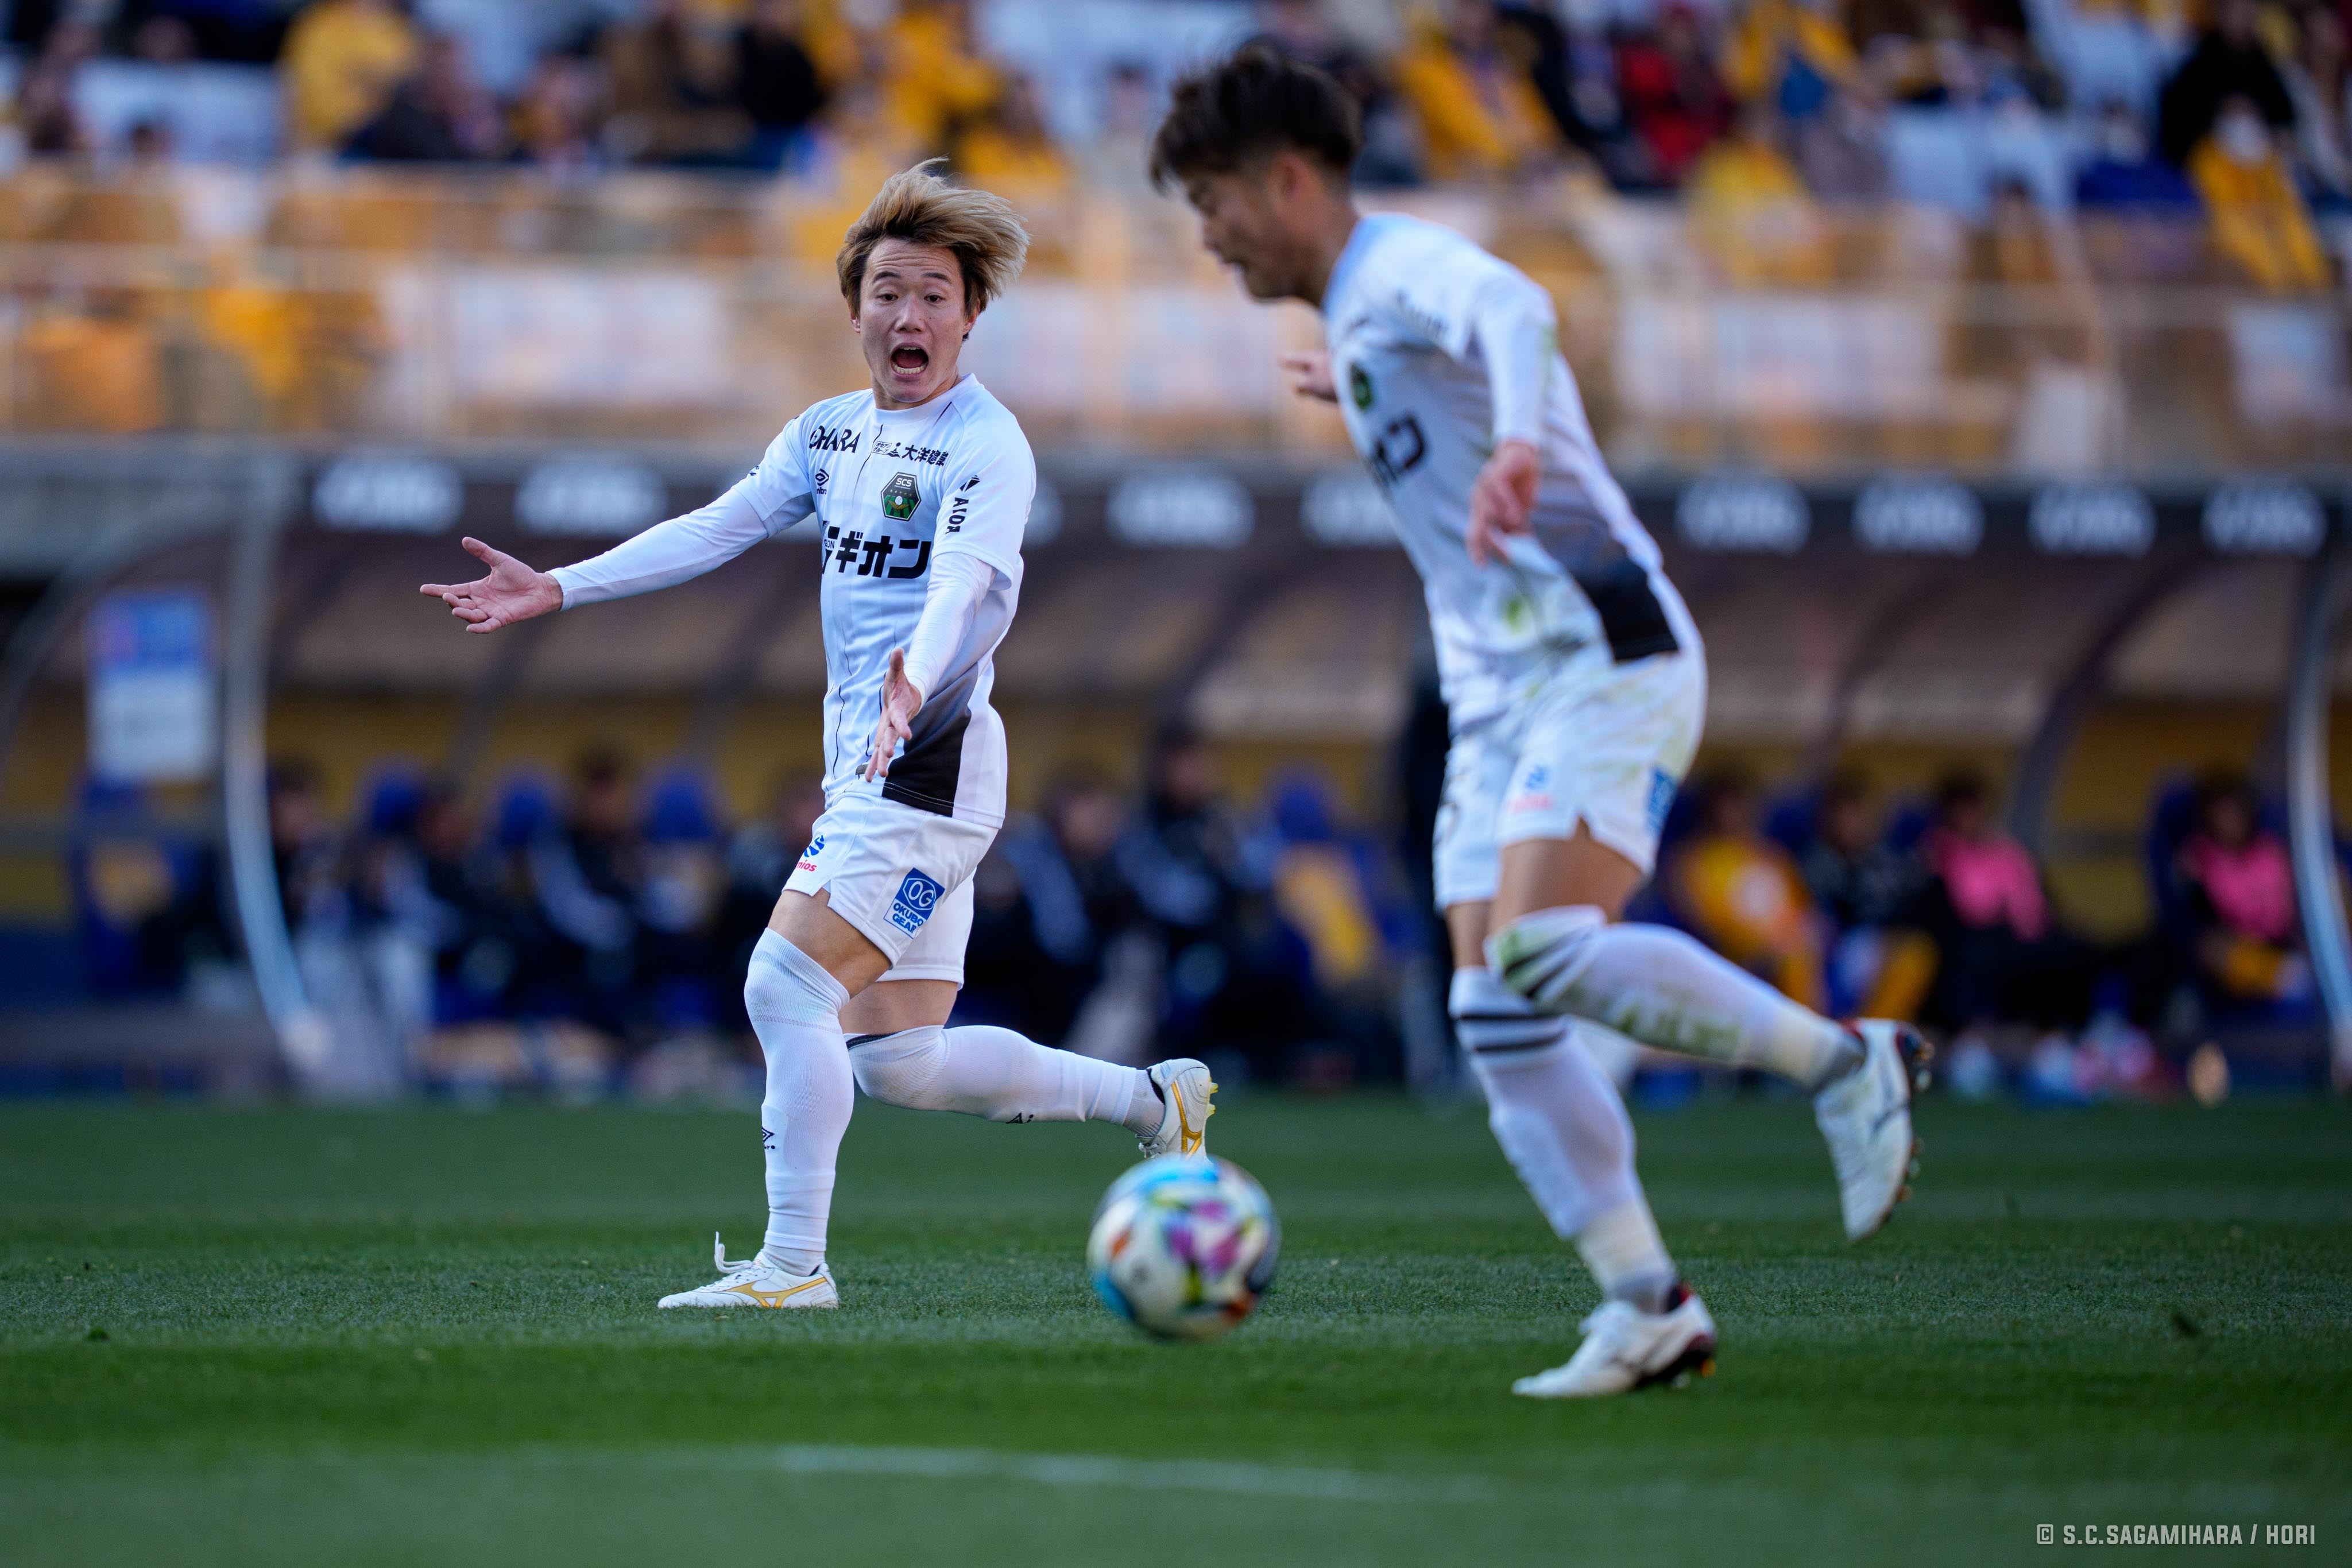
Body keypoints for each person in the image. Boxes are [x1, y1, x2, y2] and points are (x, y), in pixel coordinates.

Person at [1151, 47, 1924, 1398]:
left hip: (1596, 649)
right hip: (1500, 696)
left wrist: (1515, 443)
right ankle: (1647, 1305)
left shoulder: (1397, 264)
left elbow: (1515, 305)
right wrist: (1381, 391)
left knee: (1541, 947)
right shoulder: (1361, 321)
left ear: (1286, 181)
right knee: (1492, 1010)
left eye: (1212, 202)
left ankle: (1845, 1061)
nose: (1206, 236)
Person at [421, 164, 1215, 1311]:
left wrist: (915, 676)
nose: (910, 315)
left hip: (927, 760)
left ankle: (793, 1268)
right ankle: (1155, 1100)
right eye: (889, 292)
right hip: (881, 767)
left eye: (935, 295)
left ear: (971, 315)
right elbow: (717, 526)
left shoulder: (988, 443)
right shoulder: (829, 434)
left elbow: (965, 582)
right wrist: (559, 585)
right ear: (855, 311)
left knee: (783, 985)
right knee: (901, 1060)